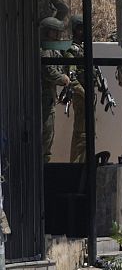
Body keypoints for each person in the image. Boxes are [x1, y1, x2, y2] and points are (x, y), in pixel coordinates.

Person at [39, 17, 71, 163]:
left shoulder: (51, 48)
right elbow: (49, 70)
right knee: (46, 133)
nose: (58, 35)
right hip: (43, 98)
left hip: (48, 97)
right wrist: (62, 78)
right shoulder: (44, 49)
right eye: (55, 32)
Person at [65, 16, 95, 163]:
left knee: (88, 134)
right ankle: (76, 169)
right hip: (81, 97)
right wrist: (84, 94)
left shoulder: (83, 48)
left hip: (88, 96)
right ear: (75, 30)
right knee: (81, 136)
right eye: (81, 29)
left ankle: (84, 167)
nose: (84, 32)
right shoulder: (72, 50)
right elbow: (72, 78)